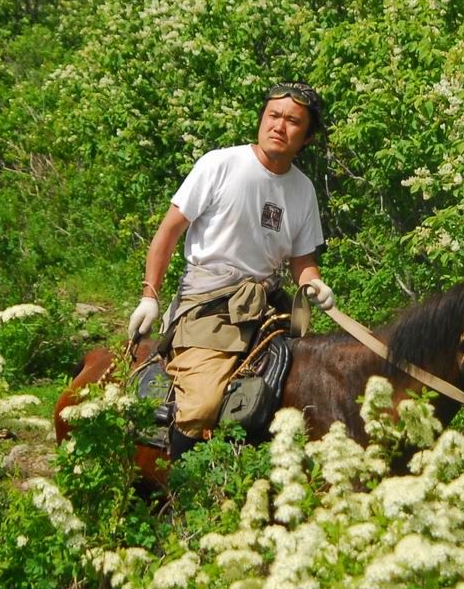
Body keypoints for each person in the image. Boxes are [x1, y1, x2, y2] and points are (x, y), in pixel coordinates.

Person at [128, 83, 335, 450]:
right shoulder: (220, 164)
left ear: (307, 137)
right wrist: (150, 296)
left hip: (270, 306)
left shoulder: (303, 190)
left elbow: (302, 261)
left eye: (292, 121)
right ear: (261, 119)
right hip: (210, 304)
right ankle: (177, 484)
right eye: (273, 116)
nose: (279, 126)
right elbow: (168, 233)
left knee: (315, 382)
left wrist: (314, 283)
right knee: (204, 404)